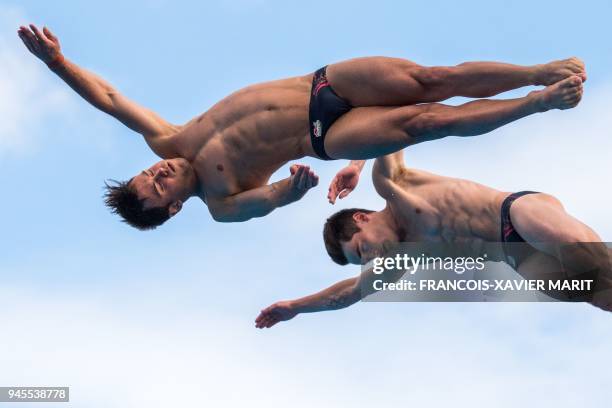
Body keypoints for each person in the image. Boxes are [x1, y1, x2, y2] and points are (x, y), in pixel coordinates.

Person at [19, 24, 585, 229]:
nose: (161, 170)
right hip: (326, 139)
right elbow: (261, 202)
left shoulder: (169, 138)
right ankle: (537, 104)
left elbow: (112, 99)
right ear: (171, 208)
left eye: (150, 173)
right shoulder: (220, 200)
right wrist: (290, 191)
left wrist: (57, 64)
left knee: (431, 77)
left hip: (321, 85)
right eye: (160, 186)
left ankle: (536, 72)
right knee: (425, 123)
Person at [256, 151, 611, 328]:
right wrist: (294, 307)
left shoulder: (393, 184)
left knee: (591, 259)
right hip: (515, 256)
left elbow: (384, 123)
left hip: (514, 212)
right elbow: (344, 295)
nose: (373, 258)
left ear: (362, 218)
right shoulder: (402, 260)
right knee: (599, 294)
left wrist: (357, 165)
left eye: (364, 248)